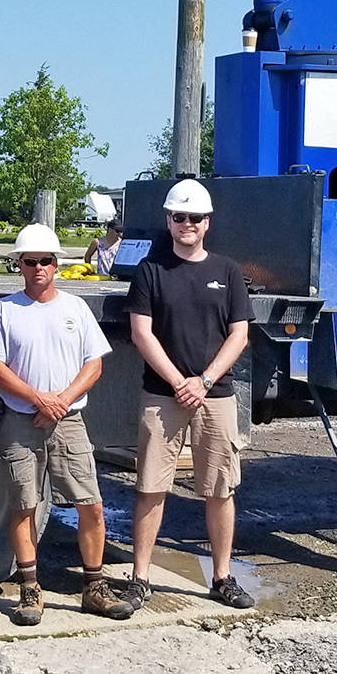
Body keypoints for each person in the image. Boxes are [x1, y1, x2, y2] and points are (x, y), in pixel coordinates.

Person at [0, 223, 135, 626]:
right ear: (20, 265)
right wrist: (38, 399)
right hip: (20, 420)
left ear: (57, 265)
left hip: (68, 420)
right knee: (23, 504)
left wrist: (60, 401)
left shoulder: (75, 309)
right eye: (30, 261)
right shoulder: (5, 310)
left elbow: (94, 364)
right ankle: (30, 590)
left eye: (46, 260)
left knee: (91, 503)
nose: (39, 267)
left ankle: (94, 588)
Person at [124, 178, 255, 611]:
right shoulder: (151, 270)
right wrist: (180, 381)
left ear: (207, 223)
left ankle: (221, 577)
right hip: (162, 396)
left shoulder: (227, 271)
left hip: (215, 396)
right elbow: (141, 333)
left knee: (220, 488)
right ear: (168, 220)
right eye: (179, 217)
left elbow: (239, 334)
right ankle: (140, 578)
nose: (186, 224)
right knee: (151, 486)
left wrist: (204, 380)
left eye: (194, 217)